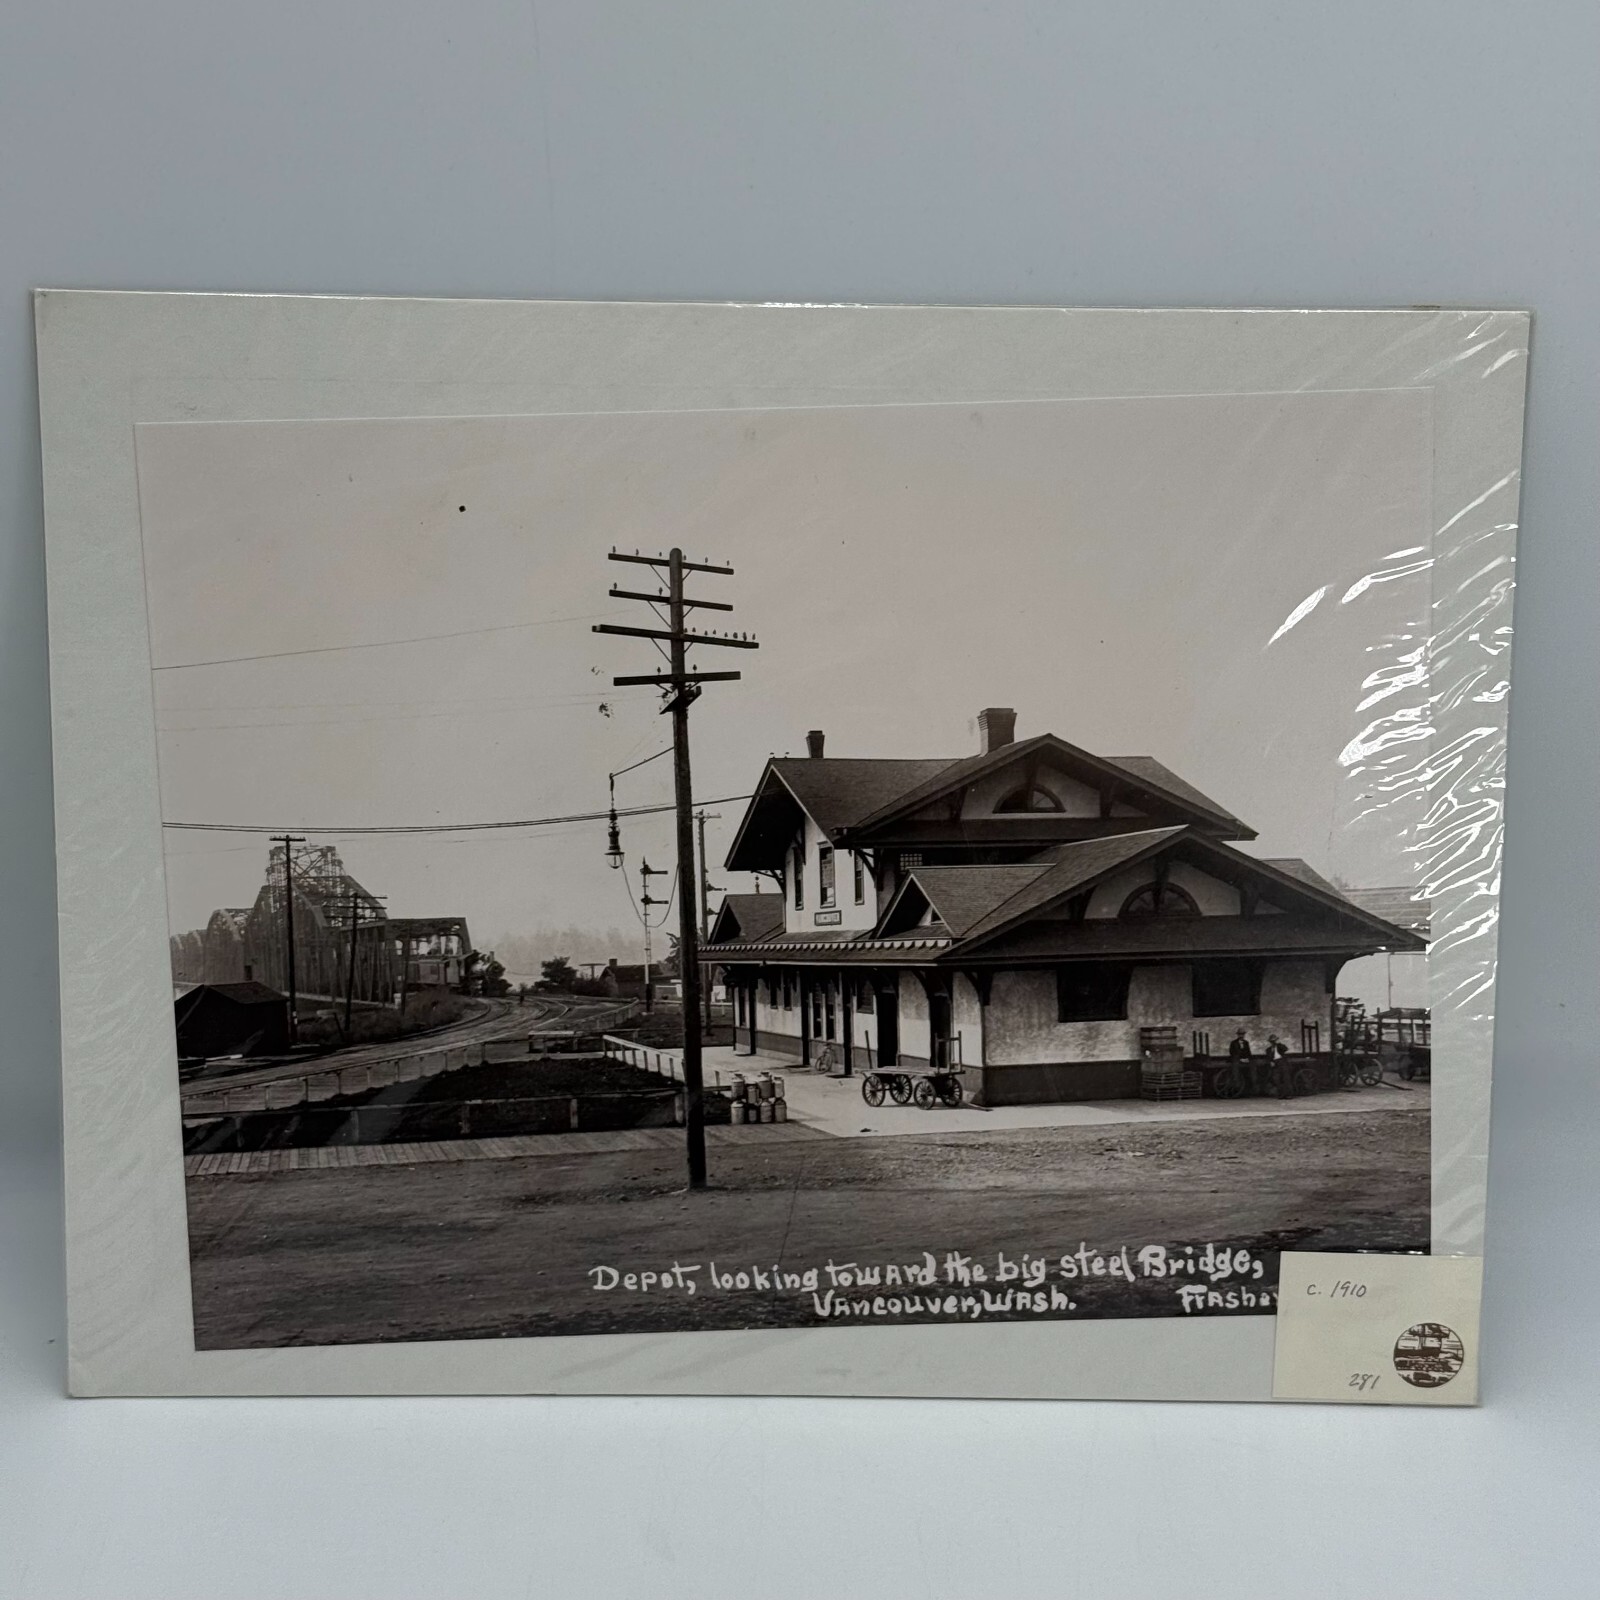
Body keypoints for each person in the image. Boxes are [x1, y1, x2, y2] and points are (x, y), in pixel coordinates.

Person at [1266, 1033, 1294, 1097]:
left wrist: (1279, 1043)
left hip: (1282, 1062)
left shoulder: (1280, 1046)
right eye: (1272, 1041)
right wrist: (1271, 1062)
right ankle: (1281, 1094)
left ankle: (1289, 1094)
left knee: (1286, 1078)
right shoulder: (1268, 1050)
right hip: (1275, 1064)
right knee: (1277, 1079)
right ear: (1270, 1042)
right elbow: (1268, 1058)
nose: (1273, 1042)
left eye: (1274, 1040)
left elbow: (1286, 1049)